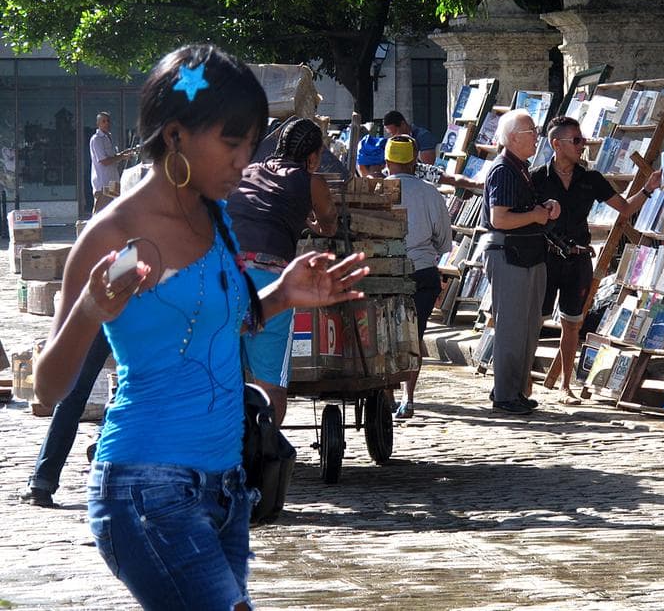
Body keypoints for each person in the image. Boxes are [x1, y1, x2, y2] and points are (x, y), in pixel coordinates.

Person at [32, 44, 368, 611]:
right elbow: (47, 389)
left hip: (226, 487)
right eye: (232, 144)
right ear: (176, 136)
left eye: (250, 143)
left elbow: (225, 322)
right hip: (146, 487)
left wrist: (284, 293)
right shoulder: (114, 234)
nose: (244, 160)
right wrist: (90, 309)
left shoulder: (213, 216)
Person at [531, 116, 662, 405]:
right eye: (576, 140)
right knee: (533, 321)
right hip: (545, 258)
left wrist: (649, 189)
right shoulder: (537, 177)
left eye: (583, 139)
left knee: (572, 323)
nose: (582, 145)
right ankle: (522, 383)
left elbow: (624, 208)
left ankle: (566, 387)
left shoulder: (590, 178)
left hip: (578, 258)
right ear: (557, 144)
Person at [227, 118, 339, 424]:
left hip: (226, 278)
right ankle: (266, 452)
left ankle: (227, 450)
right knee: (270, 383)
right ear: (313, 156)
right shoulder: (311, 180)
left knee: (225, 377)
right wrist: (315, 223)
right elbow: (330, 223)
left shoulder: (247, 172)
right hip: (269, 279)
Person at [480, 110, 560, 414]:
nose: (536, 136)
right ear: (513, 137)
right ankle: (505, 394)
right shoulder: (503, 169)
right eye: (531, 132)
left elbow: (519, 210)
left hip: (526, 253)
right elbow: (499, 217)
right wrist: (536, 215)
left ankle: (516, 390)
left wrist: (543, 208)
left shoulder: (520, 167)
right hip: (510, 254)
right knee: (512, 327)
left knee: (527, 327)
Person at [384, 135, 452, 418]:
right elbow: (445, 242)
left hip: (383, 272)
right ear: (415, 161)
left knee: (383, 338)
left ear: (387, 162)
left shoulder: (374, 190)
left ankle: (385, 395)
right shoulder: (430, 192)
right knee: (415, 335)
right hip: (421, 271)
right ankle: (408, 398)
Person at [19, 334, 112, 508]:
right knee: (133, 388)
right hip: (146, 314)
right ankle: (103, 443)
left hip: (103, 315)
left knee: (73, 395)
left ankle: (42, 482)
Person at [89, 112, 130, 213]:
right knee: (100, 216)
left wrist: (124, 154)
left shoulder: (108, 137)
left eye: (108, 121)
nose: (106, 123)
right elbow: (104, 161)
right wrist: (121, 157)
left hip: (113, 182)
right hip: (103, 184)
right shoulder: (96, 139)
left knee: (114, 214)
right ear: (98, 124)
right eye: (103, 121)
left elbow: (112, 157)